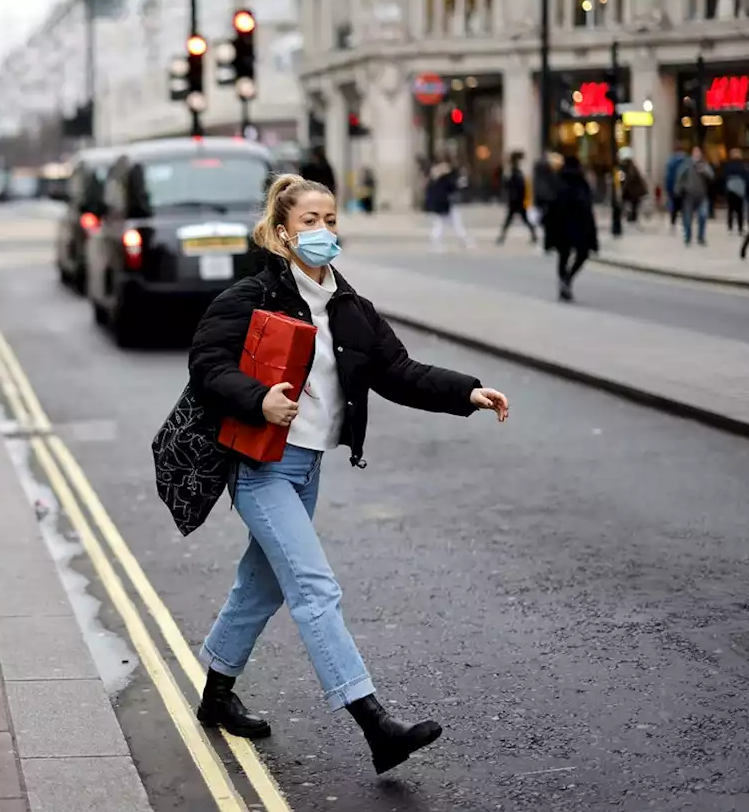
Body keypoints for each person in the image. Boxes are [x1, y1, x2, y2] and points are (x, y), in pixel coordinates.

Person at [187, 173, 509, 774]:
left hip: (306, 468)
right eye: (310, 221)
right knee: (314, 589)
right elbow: (207, 365)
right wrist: (258, 399)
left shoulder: (347, 305)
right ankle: (375, 723)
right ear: (282, 233)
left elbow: (399, 371)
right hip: (261, 467)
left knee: (262, 586)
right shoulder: (251, 296)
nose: (324, 231)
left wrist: (468, 392)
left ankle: (215, 696)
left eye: (331, 219)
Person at [551, 156, 599, 302]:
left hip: (561, 226)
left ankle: (564, 281)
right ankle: (568, 279)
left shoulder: (558, 180)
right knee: (582, 254)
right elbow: (587, 206)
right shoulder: (581, 182)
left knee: (563, 256)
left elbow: (553, 205)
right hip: (580, 226)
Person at [424, 158, 471, 248]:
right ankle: (463, 240)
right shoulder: (443, 179)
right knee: (453, 223)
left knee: (441, 223)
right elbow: (451, 188)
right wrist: (460, 184)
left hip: (444, 204)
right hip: (445, 204)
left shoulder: (437, 179)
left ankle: (438, 239)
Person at [674, 146, 714, 246]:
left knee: (702, 216)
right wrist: (678, 190)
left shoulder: (704, 164)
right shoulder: (686, 164)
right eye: (695, 152)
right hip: (689, 195)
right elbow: (680, 177)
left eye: (699, 152)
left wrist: (703, 170)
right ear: (692, 153)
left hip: (702, 195)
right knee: (687, 217)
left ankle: (701, 237)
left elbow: (711, 176)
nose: (697, 154)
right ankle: (688, 237)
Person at [496, 152, 536, 245]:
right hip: (517, 201)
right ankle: (533, 235)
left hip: (516, 201)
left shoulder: (516, 174)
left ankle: (502, 237)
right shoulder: (516, 173)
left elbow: (513, 186)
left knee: (513, 220)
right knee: (520, 220)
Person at [532, 152, 563, 252]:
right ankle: (549, 244)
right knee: (549, 224)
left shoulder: (542, 174)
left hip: (546, 201)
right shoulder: (547, 173)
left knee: (548, 225)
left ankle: (549, 244)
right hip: (548, 201)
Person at [721, 148, 749, 235]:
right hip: (740, 189)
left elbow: (724, 176)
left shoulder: (728, 165)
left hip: (730, 189)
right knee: (740, 210)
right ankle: (740, 228)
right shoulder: (743, 165)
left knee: (730, 209)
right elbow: (746, 177)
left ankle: (730, 228)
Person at [664, 146, 688, 230]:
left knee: (674, 206)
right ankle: (684, 222)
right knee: (684, 206)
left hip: (674, 188)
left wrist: (668, 188)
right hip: (684, 188)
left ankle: (673, 223)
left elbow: (668, 177)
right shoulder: (687, 161)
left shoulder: (671, 161)